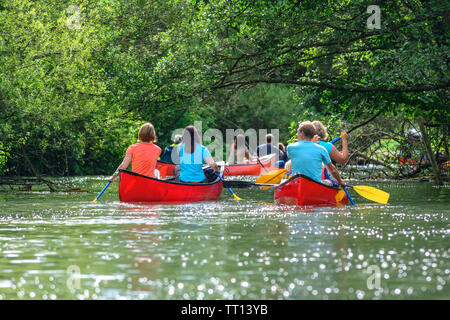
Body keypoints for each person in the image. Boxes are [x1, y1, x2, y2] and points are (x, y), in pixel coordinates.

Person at [287, 121, 345, 186]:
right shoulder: (322, 149)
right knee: (329, 182)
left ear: (302, 133)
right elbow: (333, 170)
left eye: (298, 131)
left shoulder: (290, 147)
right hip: (315, 184)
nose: (297, 134)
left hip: (297, 183)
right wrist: (340, 181)